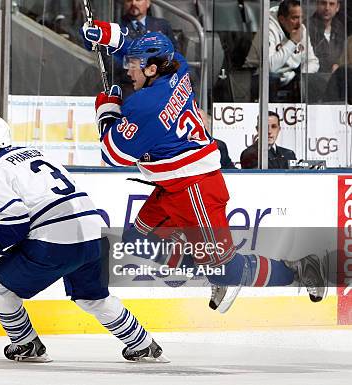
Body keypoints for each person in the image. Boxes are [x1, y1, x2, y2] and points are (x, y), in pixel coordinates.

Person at [81, 24, 327, 313]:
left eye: (133, 65)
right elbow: (135, 48)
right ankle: (210, 267)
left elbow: (112, 154)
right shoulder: (177, 67)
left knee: (228, 271)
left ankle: (297, 269)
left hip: (195, 188)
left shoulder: (146, 106)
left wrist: (107, 111)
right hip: (176, 185)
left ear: (151, 69)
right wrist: (108, 38)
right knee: (138, 240)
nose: (128, 71)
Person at [0, 114, 168, 363]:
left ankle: (26, 345)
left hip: (55, 242)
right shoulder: (35, 153)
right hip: (93, 233)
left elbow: (14, 225)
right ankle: (144, 345)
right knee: (93, 298)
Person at [245, 0, 319, 102]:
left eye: (301, 17)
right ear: (282, 19)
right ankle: (271, 116)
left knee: (315, 82)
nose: (299, 23)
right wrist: (293, 42)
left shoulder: (301, 29)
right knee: (271, 79)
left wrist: (302, 76)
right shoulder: (268, 29)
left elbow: (312, 61)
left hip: (289, 78)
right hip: (257, 77)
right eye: (295, 18)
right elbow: (269, 67)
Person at [308, 0, 345, 73]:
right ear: (317, 5)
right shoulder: (306, 27)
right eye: (323, 3)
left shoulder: (340, 29)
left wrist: (338, 65)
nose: (327, 8)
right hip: (314, 78)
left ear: (337, 7)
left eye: (331, 4)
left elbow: (342, 56)